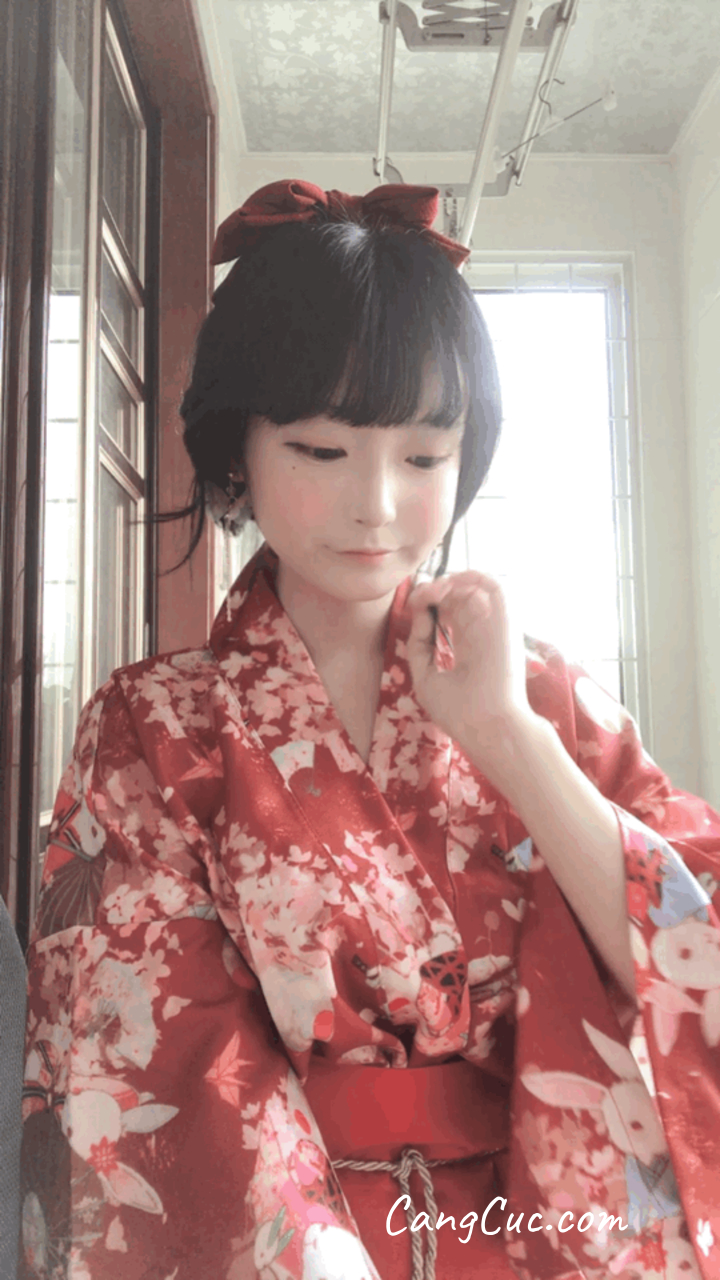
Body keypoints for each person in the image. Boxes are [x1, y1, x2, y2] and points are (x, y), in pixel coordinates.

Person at [19, 180, 720, 1280]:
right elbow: (154, 1058)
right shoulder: (152, 724)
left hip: (542, 1231)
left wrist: (509, 735)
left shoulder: (542, 696)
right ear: (240, 450)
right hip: (291, 1238)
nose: (379, 505)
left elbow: (697, 955)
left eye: (425, 457)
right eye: (322, 450)